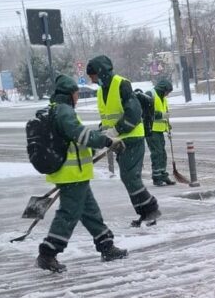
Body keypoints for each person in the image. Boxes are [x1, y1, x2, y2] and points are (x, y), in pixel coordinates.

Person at [36, 75, 128, 274]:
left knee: (90, 211)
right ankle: (48, 252)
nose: (78, 97)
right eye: (77, 93)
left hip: (74, 173)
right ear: (71, 94)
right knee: (69, 214)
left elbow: (74, 138)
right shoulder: (64, 111)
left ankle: (106, 246)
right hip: (71, 174)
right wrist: (107, 141)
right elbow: (81, 135)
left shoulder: (57, 109)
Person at [85, 55, 161, 226]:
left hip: (132, 137)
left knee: (130, 177)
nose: (92, 80)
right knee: (128, 178)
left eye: (93, 76)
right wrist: (102, 134)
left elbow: (134, 113)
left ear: (101, 72)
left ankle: (150, 210)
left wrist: (116, 130)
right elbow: (107, 118)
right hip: (118, 140)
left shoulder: (121, 84)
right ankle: (147, 212)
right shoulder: (100, 91)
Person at [146, 77, 176, 186]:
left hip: (159, 130)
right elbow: (146, 113)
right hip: (151, 130)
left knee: (162, 153)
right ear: (162, 89)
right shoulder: (150, 95)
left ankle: (163, 175)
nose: (167, 94)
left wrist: (168, 126)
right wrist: (162, 115)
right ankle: (156, 177)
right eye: (167, 92)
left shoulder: (163, 98)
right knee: (156, 153)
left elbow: (164, 113)